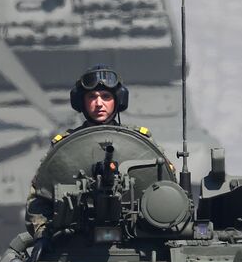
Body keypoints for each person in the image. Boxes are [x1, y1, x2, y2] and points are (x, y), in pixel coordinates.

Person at [25, 66, 150, 237]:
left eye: (106, 96)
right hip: (74, 237)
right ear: (81, 102)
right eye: (92, 97)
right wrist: (42, 234)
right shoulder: (65, 145)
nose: (99, 103)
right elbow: (40, 196)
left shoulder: (139, 141)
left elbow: (160, 186)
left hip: (134, 235)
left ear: (118, 100)